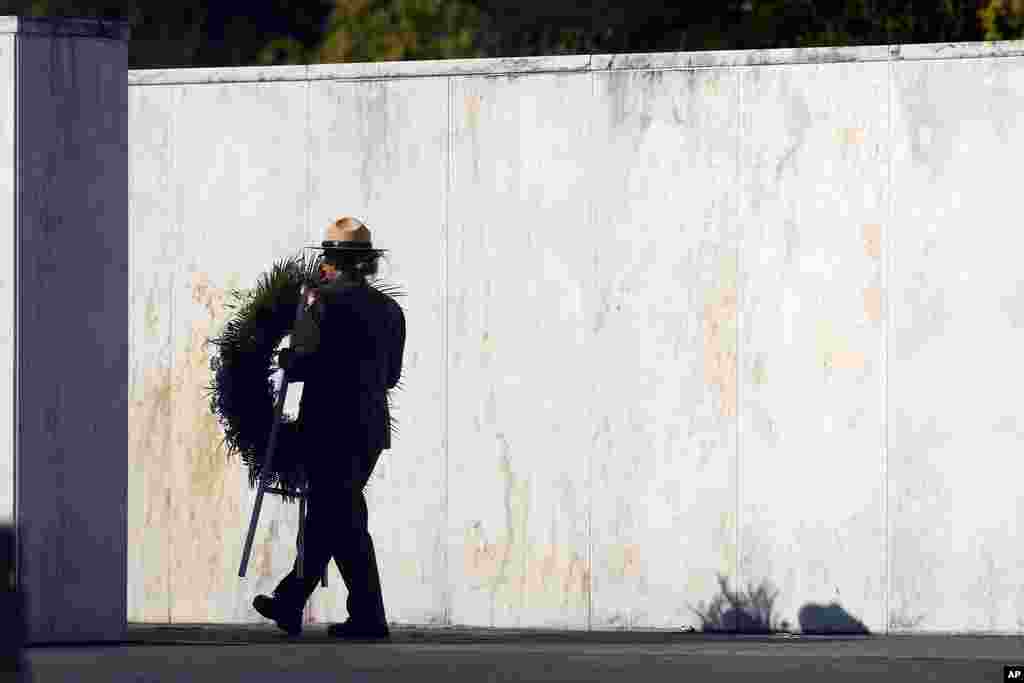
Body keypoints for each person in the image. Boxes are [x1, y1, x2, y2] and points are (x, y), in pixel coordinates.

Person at [252, 216, 406, 640]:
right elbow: (390, 375)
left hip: (327, 426)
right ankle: (300, 602)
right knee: (339, 515)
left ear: (331, 262)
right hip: (369, 429)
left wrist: (285, 360)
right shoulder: (391, 311)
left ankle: (354, 614)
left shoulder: (321, 301)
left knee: (335, 514)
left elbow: (305, 361)